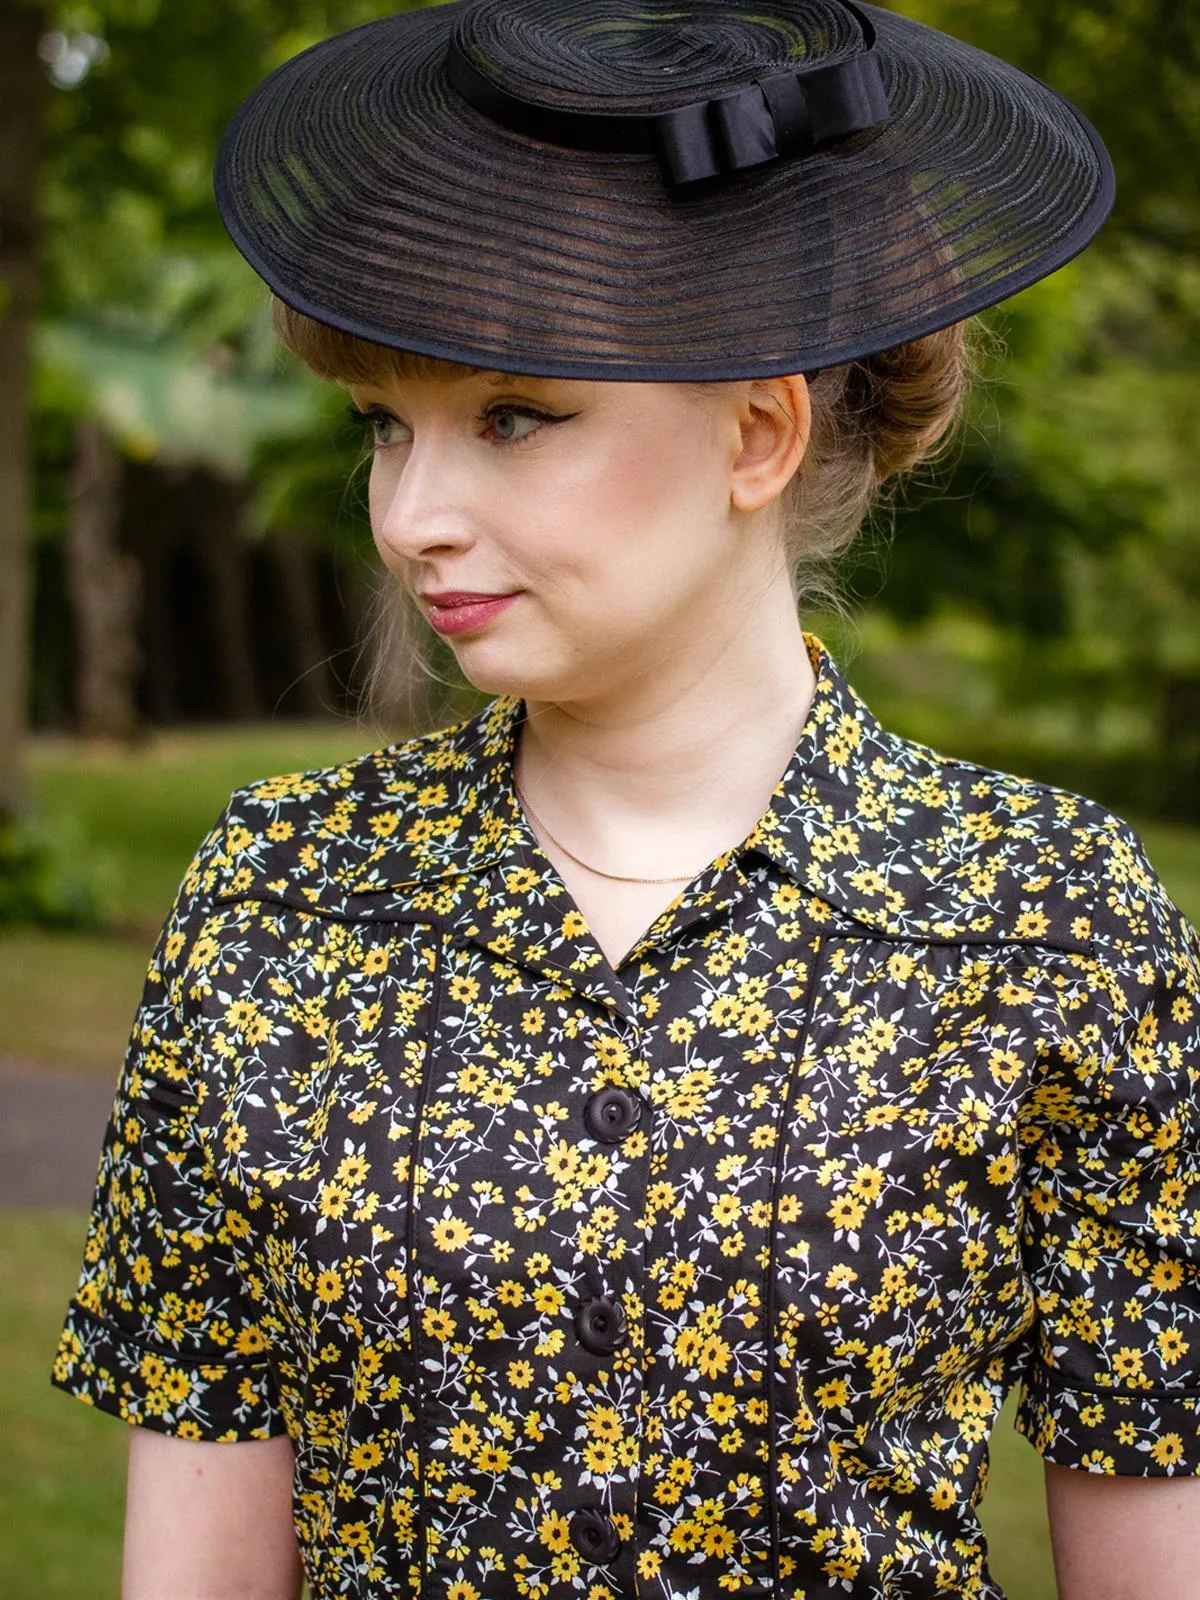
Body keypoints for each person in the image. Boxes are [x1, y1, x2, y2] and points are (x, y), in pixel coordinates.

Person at [51, 1, 1200, 1596]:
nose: (413, 517)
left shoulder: (1048, 921)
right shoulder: (278, 901)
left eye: (513, 417)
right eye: (389, 426)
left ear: (756, 430)